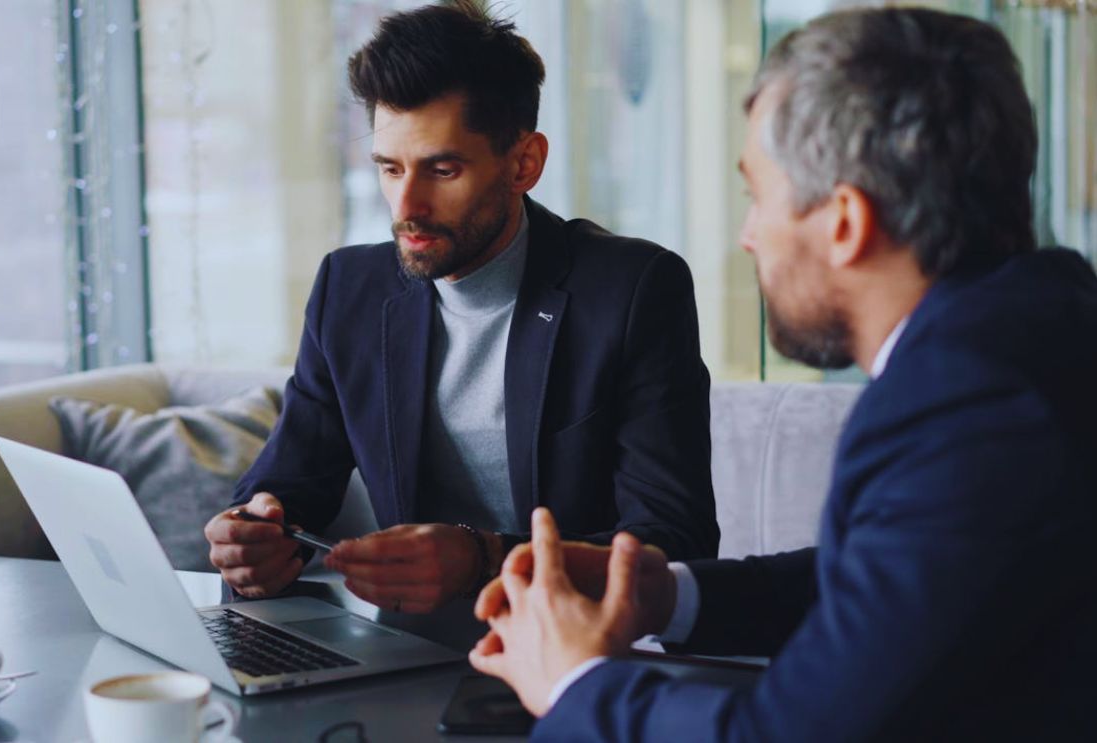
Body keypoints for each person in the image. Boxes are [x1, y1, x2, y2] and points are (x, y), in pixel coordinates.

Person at [470, 7, 1097, 741]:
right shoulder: (1041, 327)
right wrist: (663, 595)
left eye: (756, 195)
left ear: (842, 222)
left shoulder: (971, 403)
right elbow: (893, 593)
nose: (746, 236)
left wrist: (574, 682)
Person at [203, 0, 717, 615]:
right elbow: (288, 485)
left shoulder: (632, 291)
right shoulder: (349, 288)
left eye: (441, 169)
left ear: (523, 164)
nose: (406, 206)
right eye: (389, 169)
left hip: (574, 646)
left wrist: (485, 558)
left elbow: (674, 544)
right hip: (401, 645)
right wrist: (253, 532)